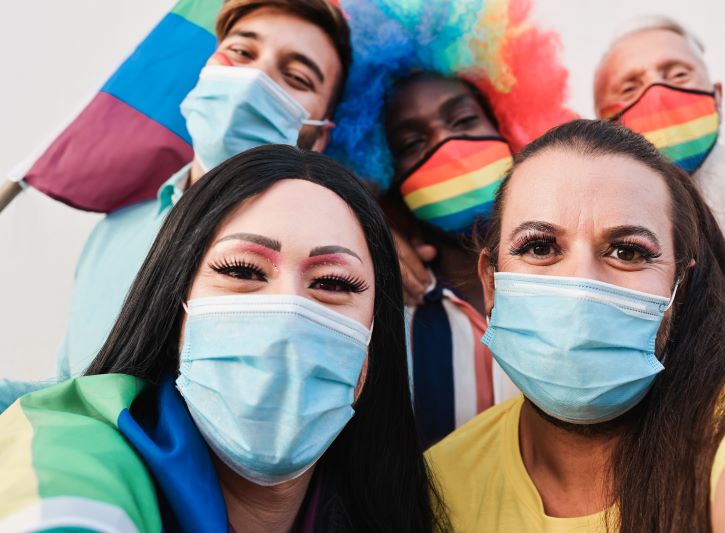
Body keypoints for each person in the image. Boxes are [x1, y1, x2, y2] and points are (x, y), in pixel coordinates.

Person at [0, 145, 448, 532]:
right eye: (242, 271)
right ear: (176, 308)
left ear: (373, 341)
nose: (287, 315)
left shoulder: (397, 506)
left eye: (332, 282)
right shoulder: (77, 449)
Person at [426, 119, 725, 532]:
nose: (581, 284)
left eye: (627, 251)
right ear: (491, 284)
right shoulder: (438, 485)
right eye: (539, 247)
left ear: (682, 285)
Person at [0, 0, 352, 411]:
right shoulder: (119, 228)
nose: (255, 77)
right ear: (203, 74)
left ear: (321, 135)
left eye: (295, 77)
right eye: (240, 52)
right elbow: (71, 393)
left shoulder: (333, 267)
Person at [327, 0, 574, 446]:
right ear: (387, 177)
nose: (447, 143)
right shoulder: (378, 313)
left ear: (511, 130)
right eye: (411, 142)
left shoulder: (580, 279)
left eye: (463, 120)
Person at [593, 16, 725, 320]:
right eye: (628, 88)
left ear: (717, 97)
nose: (658, 93)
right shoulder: (596, 256)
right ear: (602, 127)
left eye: (678, 74)